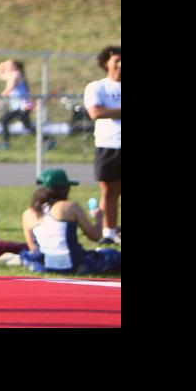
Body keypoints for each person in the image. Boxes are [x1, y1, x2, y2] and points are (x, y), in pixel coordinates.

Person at [18, 169, 120, 275]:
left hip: (42, 265)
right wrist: (99, 218)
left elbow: (33, 248)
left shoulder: (28, 214)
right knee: (110, 254)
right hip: (74, 263)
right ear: (64, 189)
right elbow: (96, 236)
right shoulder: (70, 207)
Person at [82, 45, 121, 246]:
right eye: (117, 61)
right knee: (109, 191)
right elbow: (95, 113)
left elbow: (106, 111)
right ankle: (109, 232)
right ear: (107, 63)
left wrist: (112, 110)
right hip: (109, 144)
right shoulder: (97, 87)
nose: (121, 65)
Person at [0, 59, 34, 151]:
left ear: (15, 67)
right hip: (18, 106)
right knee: (26, 125)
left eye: (9, 65)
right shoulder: (12, 75)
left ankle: (5, 143)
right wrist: (1, 65)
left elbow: (10, 88)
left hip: (23, 105)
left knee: (4, 120)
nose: (7, 67)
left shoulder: (16, 74)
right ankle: (46, 140)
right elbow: (0, 75)